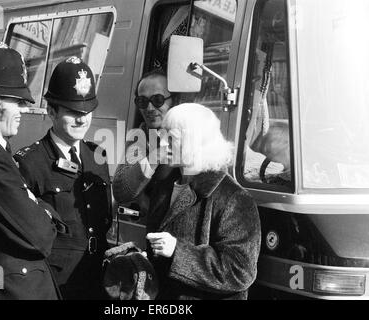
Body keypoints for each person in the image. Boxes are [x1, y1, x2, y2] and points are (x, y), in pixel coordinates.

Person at [0, 42, 66, 300]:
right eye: (16, 102)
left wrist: (40, 210)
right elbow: (41, 235)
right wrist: (44, 212)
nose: (24, 110)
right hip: (11, 290)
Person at [14, 57, 112, 300]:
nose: (82, 119)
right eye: (73, 112)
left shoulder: (97, 155)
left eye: (87, 111)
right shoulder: (30, 161)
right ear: (51, 111)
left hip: (95, 284)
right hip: (53, 287)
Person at [145, 103, 261, 300]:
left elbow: (240, 272)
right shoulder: (164, 185)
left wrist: (177, 251)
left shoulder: (235, 198)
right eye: (162, 135)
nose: (162, 143)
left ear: (195, 142)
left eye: (171, 137)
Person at [112, 69, 174, 213]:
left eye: (158, 100)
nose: (149, 108)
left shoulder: (191, 134)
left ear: (175, 100)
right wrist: (158, 153)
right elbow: (122, 190)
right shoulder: (140, 136)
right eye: (142, 101)